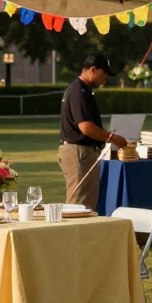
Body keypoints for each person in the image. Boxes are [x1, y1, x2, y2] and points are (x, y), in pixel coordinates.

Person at [58, 53, 127, 209]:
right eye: (104, 74)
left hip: (81, 151)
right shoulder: (78, 91)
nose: (105, 79)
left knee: (86, 203)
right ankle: (75, 234)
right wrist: (111, 137)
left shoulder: (84, 90)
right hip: (78, 152)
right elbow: (86, 127)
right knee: (79, 205)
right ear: (93, 70)